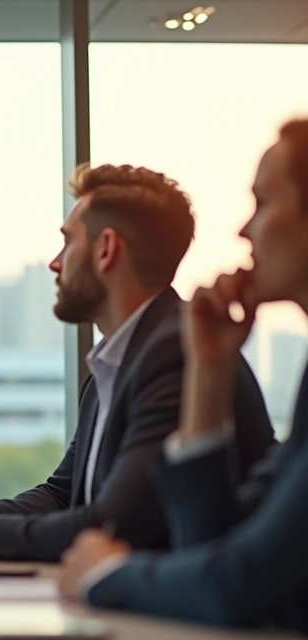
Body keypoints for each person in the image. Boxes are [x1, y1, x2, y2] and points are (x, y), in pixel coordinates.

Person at [0, 164, 275, 561]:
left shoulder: (176, 352)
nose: (55, 262)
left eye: (68, 242)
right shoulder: (114, 364)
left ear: (106, 249)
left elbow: (114, 524)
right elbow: (63, 493)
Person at [60, 119, 308, 633]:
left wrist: (107, 574)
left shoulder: (158, 350)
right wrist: (207, 377)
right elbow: (217, 544)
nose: (243, 231)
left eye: (264, 203)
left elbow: (236, 585)